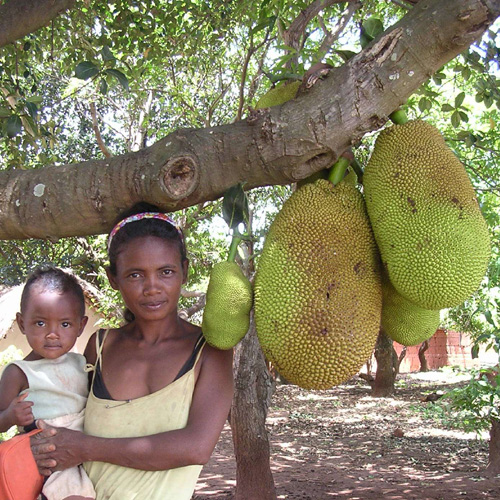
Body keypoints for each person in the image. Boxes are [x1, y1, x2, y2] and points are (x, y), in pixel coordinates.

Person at [31, 203, 234, 500]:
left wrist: (85, 447)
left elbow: (196, 447)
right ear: (113, 278)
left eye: (165, 271)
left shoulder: (210, 352)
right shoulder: (99, 347)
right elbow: (54, 411)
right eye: (135, 275)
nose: (152, 287)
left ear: (185, 271)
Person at [0, 265, 96, 500]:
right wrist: (10, 417)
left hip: (88, 443)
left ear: (80, 326)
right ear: (22, 323)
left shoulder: (80, 362)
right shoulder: (19, 372)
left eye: (64, 324)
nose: (52, 334)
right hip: (51, 453)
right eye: (41, 323)